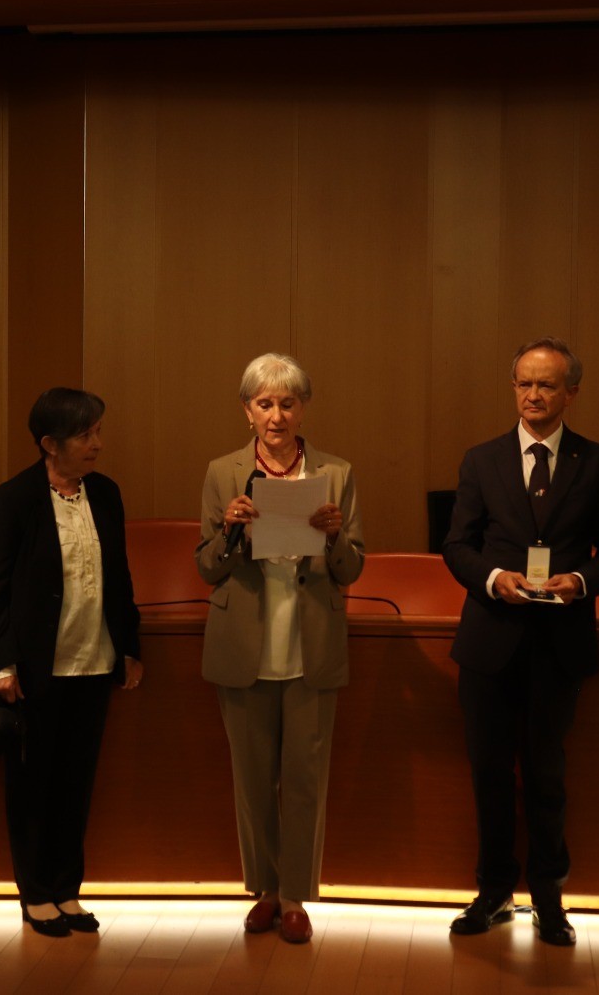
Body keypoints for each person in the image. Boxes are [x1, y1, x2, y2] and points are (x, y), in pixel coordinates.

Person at [441, 338, 599, 946]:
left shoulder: (598, 463)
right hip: (490, 642)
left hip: (559, 643)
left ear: (570, 393)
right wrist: (494, 578)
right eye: (524, 383)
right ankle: (494, 891)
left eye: (546, 385)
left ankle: (549, 897)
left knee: (547, 776)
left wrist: (580, 581)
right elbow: (457, 545)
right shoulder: (481, 460)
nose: (532, 395)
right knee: (490, 774)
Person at [196, 353, 363, 944]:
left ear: (303, 409)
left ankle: (294, 895)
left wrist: (335, 536)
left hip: (309, 644)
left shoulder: (335, 472)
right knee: (253, 780)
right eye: (264, 403)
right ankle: (263, 890)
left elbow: (352, 568)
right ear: (247, 410)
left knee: (303, 779)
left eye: (287, 403)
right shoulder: (223, 472)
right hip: (244, 645)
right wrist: (229, 530)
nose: (276, 415)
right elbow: (207, 567)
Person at [0, 388, 145, 937]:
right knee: (32, 784)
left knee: (76, 783)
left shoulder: (106, 493)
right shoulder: (14, 499)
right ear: (50, 444)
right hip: (35, 670)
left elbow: (119, 577)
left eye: (97, 431)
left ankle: (67, 889)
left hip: (94, 660)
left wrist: (130, 646)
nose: (97, 443)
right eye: (85, 435)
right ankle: (36, 894)